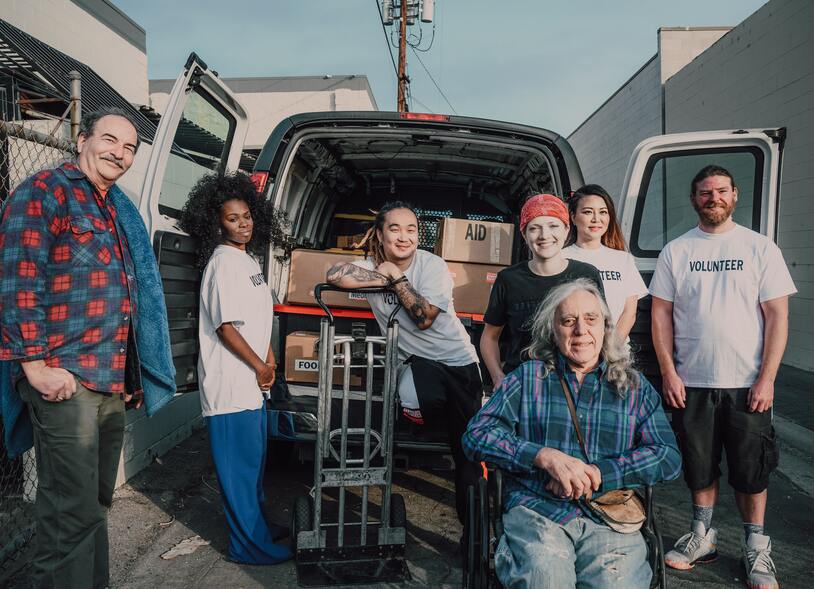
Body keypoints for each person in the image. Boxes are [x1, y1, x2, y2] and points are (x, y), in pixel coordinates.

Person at [0, 108, 176, 588]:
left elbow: (130, 293)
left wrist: (133, 374)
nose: (119, 152)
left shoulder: (116, 207)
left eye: (130, 147)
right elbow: (17, 278)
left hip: (108, 381)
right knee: (70, 513)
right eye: (110, 140)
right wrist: (34, 367)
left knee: (95, 504)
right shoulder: (44, 191)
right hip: (64, 379)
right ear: (82, 139)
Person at [463, 279, 681, 588]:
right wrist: (542, 456)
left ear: (605, 326)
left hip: (609, 516)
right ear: (553, 330)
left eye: (591, 319)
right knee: (545, 576)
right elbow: (477, 434)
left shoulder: (632, 387)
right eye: (568, 321)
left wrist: (600, 473)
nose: (580, 330)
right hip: (537, 510)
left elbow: (667, 455)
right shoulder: (528, 378)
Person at [650, 165, 795, 589]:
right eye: (705, 192)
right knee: (699, 466)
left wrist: (767, 378)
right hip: (691, 381)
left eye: (721, 191)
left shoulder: (760, 248)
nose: (713, 198)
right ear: (694, 199)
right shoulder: (676, 251)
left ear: (735, 195)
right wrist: (668, 372)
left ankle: (756, 548)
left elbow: (778, 316)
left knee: (753, 470)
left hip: (748, 383)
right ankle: (702, 536)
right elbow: (660, 314)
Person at [325, 201, 482, 526]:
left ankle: (473, 529)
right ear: (380, 234)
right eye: (394, 229)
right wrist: (381, 275)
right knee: (413, 390)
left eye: (411, 229)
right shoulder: (370, 264)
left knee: (467, 452)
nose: (404, 236)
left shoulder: (432, 265)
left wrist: (395, 276)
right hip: (417, 367)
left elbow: (423, 317)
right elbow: (335, 275)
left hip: (459, 366)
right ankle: (424, 417)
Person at [179, 172, 292, 565]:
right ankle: (249, 547)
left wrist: (270, 355)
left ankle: (259, 528)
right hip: (231, 386)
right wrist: (261, 364)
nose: (243, 224)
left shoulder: (246, 259)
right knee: (239, 474)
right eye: (232, 218)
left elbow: (257, 316)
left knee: (253, 467)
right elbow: (225, 327)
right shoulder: (222, 264)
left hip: (252, 383)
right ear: (216, 223)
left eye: (247, 216)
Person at [481, 193, 605, 389]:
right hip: (523, 385)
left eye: (553, 226)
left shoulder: (586, 275)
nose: (544, 235)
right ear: (524, 234)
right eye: (534, 228)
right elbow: (489, 337)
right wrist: (497, 377)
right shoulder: (508, 279)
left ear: (566, 230)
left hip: (577, 383)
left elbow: (602, 330)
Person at [563, 184, 648, 342]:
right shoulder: (561, 258)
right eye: (588, 212)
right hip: (575, 350)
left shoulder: (623, 259)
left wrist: (612, 348)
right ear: (573, 217)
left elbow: (629, 312)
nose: (596, 219)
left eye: (603, 212)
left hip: (616, 353)